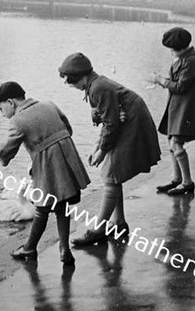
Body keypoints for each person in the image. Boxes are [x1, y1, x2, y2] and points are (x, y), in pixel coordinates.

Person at [58, 53, 161, 246]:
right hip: (129, 119)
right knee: (114, 173)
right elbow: (109, 121)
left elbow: (111, 124)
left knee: (110, 174)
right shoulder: (95, 85)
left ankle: (100, 229)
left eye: (72, 82)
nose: (72, 86)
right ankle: (119, 223)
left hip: (133, 122)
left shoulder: (98, 88)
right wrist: (98, 146)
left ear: (80, 76)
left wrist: (102, 151)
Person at [0, 81, 90, 266]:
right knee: (62, 206)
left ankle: (29, 247)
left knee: (42, 207)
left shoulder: (17, 121)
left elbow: (6, 153)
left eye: (0, 108)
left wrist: (1, 155)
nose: (2, 114)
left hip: (49, 165)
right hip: (68, 158)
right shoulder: (48, 104)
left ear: (11, 102)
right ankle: (64, 250)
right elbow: (68, 129)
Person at [152, 27, 195, 196]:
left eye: (171, 48)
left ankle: (187, 183)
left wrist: (161, 80)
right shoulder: (182, 59)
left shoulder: (191, 61)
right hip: (177, 107)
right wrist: (162, 81)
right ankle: (176, 179)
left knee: (176, 143)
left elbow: (181, 87)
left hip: (187, 109)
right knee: (171, 142)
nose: (170, 51)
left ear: (178, 47)